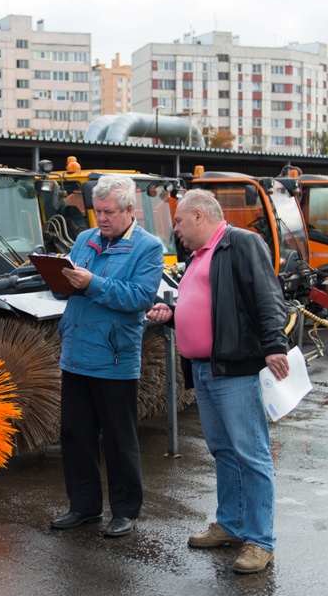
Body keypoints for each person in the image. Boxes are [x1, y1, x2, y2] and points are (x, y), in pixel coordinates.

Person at [146, 189, 289, 574]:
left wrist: (275, 345)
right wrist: (174, 314)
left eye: (178, 220)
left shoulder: (241, 243)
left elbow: (267, 295)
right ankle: (231, 524)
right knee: (224, 451)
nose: (175, 229)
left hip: (234, 368)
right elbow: (209, 309)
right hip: (206, 369)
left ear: (198, 216)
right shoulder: (199, 257)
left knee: (251, 454)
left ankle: (260, 541)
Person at [50, 174, 164, 538]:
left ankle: (125, 510)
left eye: (109, 212)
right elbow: (70, 288)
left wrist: (91, 284)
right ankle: (83, 507)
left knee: (118, 438)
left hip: (114, 357)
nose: (101, 218)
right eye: (97, 211)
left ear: (130, 210)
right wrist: (57, 278)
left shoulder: (148, 248)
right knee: (75, 434)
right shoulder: (84, 239)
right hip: (76, 352)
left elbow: (140, 298)